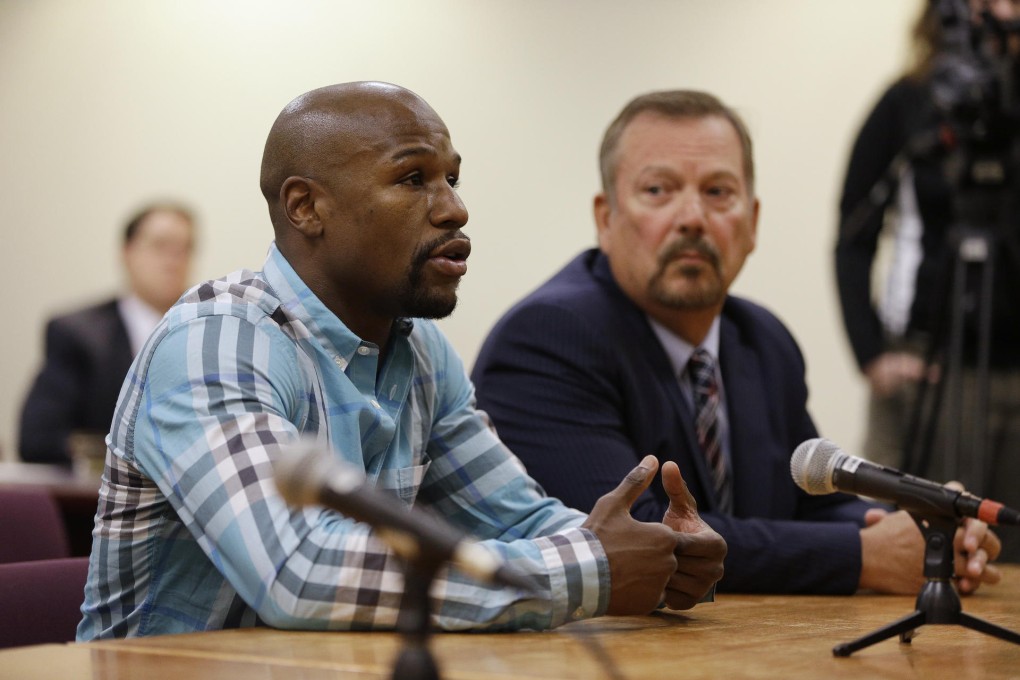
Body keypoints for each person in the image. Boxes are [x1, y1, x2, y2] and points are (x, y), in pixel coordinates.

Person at [77, 82, 726, 640]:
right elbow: (299, 572)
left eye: (452, 178)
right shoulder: (216, 341)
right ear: (307, 207)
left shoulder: (416, 349)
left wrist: (651, 552)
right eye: (414, 179)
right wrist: (591, 568)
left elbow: (516, 516)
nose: (454, 208)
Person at [470, 89, 1002, 595]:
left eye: (718, 192)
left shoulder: (762, 340)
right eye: (658, 191)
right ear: (606, 219)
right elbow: (634, 537)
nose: (692, 218)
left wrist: (923, 532)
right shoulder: (547, 338)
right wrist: (863, 555)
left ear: (751, 222)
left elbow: (808, 509)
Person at [835, 0, 1020, 561]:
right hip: (925, 368)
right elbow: (853, 233)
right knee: (906, 548)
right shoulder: (913, 102)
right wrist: (872, 353)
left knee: (1003, 556)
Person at [19, 203, 196, 465]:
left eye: (184, 249)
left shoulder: (202, 333)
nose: (173, 261)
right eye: (161, 246)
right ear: (127, 253)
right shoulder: (77, 335)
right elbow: (38, 439)